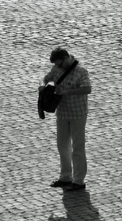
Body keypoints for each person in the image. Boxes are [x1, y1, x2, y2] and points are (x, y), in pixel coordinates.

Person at [41, 47, 92, 191]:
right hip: (62, 114)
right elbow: (45, 78)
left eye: (59, 63)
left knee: (78, 147)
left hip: (78, 114)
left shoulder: (81, 71)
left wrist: (68, 91)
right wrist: (42, 86)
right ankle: (65, 177)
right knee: (62, 145)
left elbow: (87, 89)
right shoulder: (57, 69)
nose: (57, 67)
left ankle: (79, 181)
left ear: (66, 57)